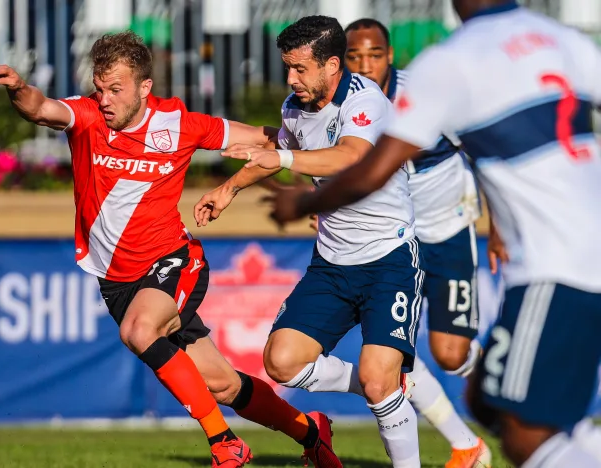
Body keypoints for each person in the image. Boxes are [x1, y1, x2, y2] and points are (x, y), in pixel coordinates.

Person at [0, 31, 340, 468]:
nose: (105, 99)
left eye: (116, 89)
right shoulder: (86, 116)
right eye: (100, 88)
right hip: (116, 281)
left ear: (144, 87)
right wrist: (19, 88)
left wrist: (319, 173)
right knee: (222, 385)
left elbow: (274, 137)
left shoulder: (180, 124)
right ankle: (312, 432)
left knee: (139, 331)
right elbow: (40, 108)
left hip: (174, 259)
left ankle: (225, 444)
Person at [263, 2, 601, 467]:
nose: (366, 65)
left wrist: (302, 202)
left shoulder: (446, 65)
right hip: (555, 250)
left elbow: (367, 168)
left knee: (520, 429)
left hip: (551, 255)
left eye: (374, 54)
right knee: (488, 398)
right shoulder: (562, 39)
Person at [196, 16, 423, 467]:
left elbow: (351, 156)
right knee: (282, 362)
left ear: (332, 65)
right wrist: (230, 188)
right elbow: (277, 151)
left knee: (381, 382)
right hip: (332, 264)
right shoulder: (294, 107)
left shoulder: (366, 101)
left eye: (300, 68)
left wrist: (280, 155)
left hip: (388, 257)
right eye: (287, 67)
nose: (290, 78)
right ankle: (381, 383)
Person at [342, 18, 492, 468]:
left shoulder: (422, 94)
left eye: (373, 55)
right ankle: (468, 447)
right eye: (354, 56)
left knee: (451, 354)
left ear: (390, 56)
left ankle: (514, 385)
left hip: (445, 227)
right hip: (390, 239)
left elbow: (481, 150)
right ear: (342, 60)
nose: (365, 65)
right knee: (391, 353)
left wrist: (500, 227)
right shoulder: (341, 102)